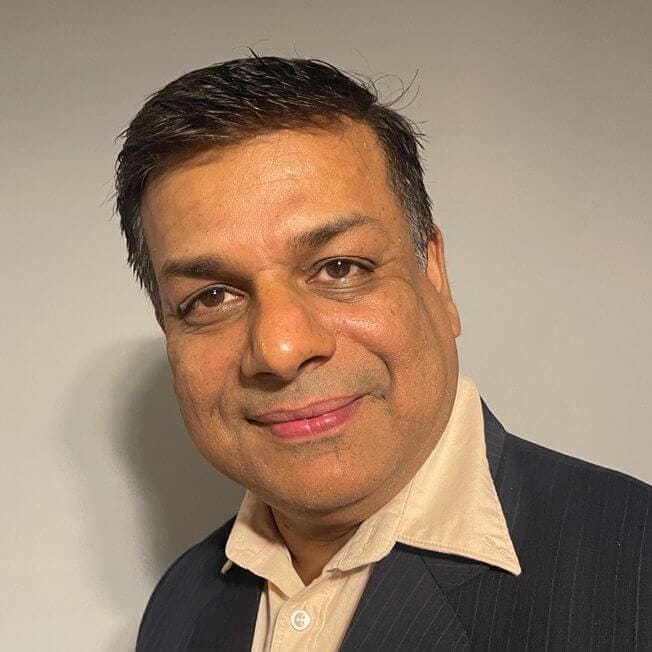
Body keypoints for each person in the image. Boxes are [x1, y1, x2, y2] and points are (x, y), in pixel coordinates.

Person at [115, 56, 649, 651]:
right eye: (211, 297)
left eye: (339, 267)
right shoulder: (179, 603)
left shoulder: (636, 572)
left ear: (436, 277)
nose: (281, 349)